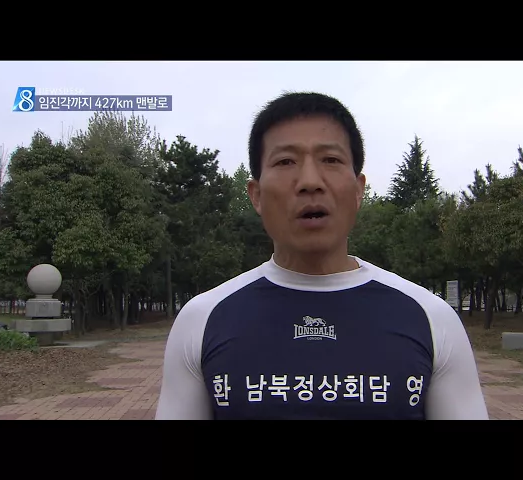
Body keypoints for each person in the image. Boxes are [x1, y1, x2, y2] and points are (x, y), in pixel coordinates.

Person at [155, 91, 489, 420]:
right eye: (285, 162)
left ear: (358, 190)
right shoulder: (202, 320)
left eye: (330, 160)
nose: (310, 182)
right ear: (256, 195)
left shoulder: (432, 319)